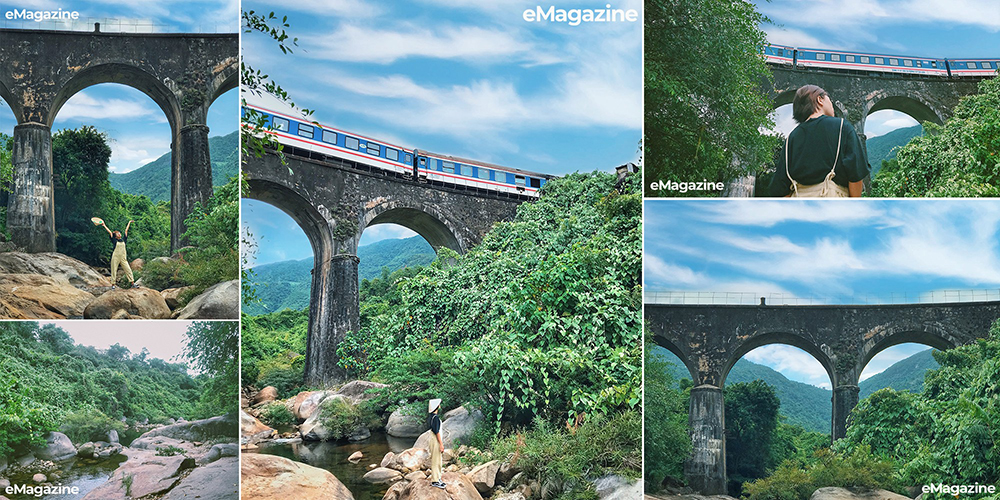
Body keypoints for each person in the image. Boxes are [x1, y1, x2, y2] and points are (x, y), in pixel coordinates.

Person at [769, 85, 870, 197]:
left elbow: (781, 188)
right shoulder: (842, 127)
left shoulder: (790, 139)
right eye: (829, 99)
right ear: (820, 99)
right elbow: (855, 175)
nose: (831, 104)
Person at [100, 219, 136, 288]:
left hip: (123, 258)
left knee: (128, 270)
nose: (119, 234)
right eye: (118, 233)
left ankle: (132, 284)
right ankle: (113, 285)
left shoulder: (124, 240)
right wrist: (104, 225)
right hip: (115, 257)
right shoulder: (114, 240)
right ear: (115, 236)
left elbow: (126, 230)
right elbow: (110, 232)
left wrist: (129, 223)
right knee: (114, 270)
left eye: (119, 233)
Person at [428, 399, 446, 489]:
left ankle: (438, 478)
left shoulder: (431, 416)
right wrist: (441, 444)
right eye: (439, 404)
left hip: (432, 439)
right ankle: (435, 480)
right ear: (437, 406)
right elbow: (437, 432)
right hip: (435, 440)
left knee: (437, 459)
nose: (440, 405)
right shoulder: (436, 418)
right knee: (436, 460)